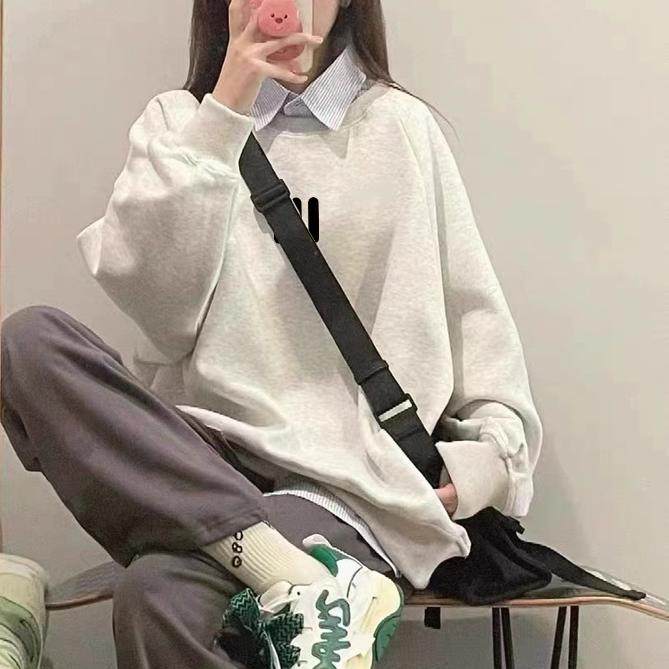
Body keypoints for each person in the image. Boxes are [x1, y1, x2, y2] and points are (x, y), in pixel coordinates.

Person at [0, 0, 543, 666]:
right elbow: (164, 319)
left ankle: (277, 563)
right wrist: (226, 109)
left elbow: (472, 315)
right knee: (27, 342)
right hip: (194, 458)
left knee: (156, 595)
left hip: (342, 483)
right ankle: (300, 577)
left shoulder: (399, 127)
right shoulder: (178, 122)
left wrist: (489, 465)